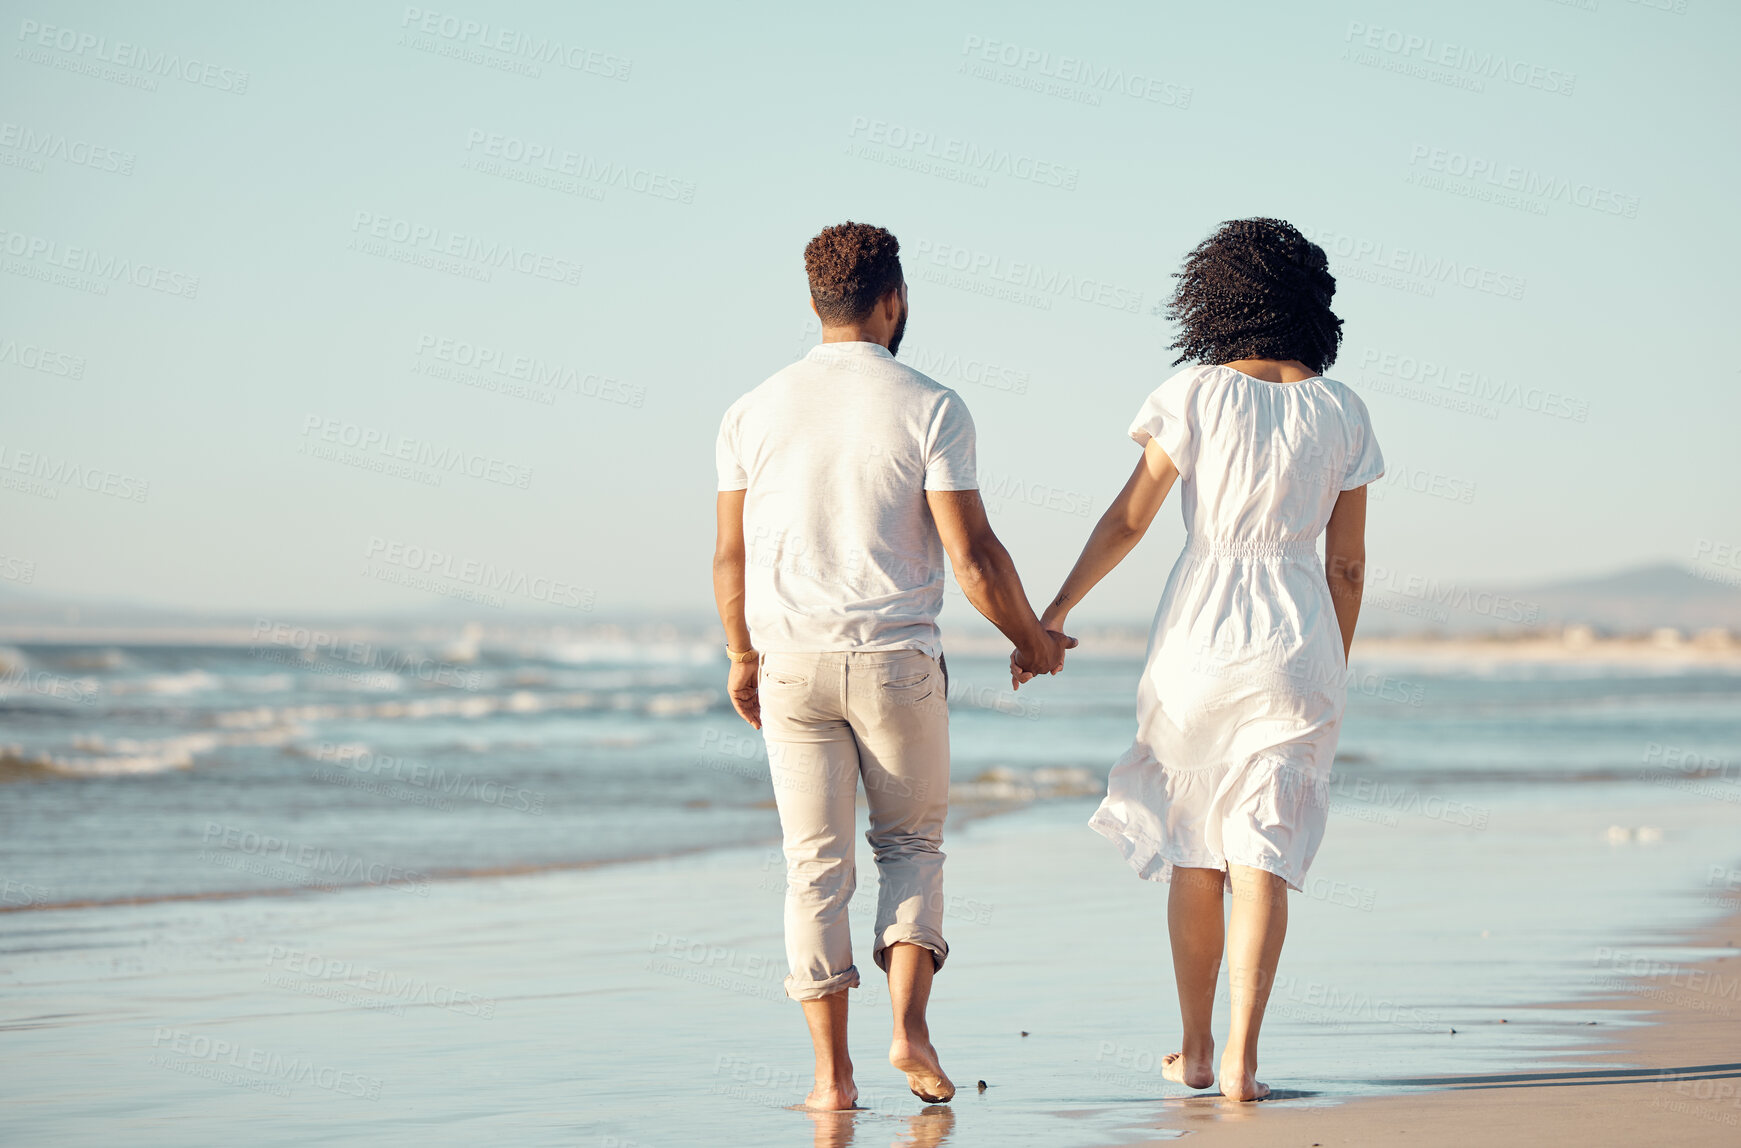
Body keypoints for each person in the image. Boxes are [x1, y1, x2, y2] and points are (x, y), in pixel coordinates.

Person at [713, 221, 1073, 1111]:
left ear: (814, 303)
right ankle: (909, 1029)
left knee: (814, 866)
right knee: (909, 846)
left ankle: (829, 1081)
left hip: (790, 661)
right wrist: (1029, 639)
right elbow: (973, 551)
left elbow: (729, 556)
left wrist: (740, 655)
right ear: (894, 299)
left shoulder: (750, 410)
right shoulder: (931, 404)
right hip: (895, 660)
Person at [1022, 217, 1382, 1102]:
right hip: (1296, 637)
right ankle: (1243, 1063)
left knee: (1196, 848)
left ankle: (1191, 1046)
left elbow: (1129, 520)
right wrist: (1329, 657)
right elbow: (1346, 565)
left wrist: (1058, 607)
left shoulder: (1191, 394)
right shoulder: (1341, 409)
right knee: (1263, 849)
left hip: (1198, 639)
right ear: (1311, 304)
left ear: (1216, 297)